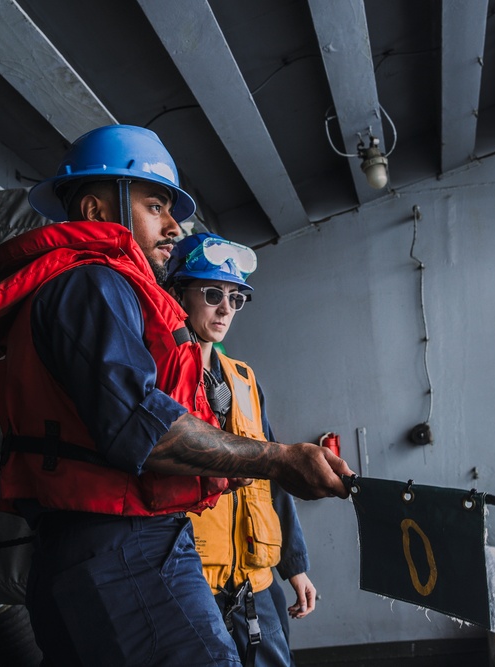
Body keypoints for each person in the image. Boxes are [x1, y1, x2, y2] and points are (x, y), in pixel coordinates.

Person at [0, 124, 352, 667]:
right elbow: (142, 430)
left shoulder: (81, 288)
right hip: (124, 551)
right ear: (97, 210)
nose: (174, 226)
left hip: (94, 549)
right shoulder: (92, 285)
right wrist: (279, 459)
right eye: (156, 206)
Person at [166, 233, 316, 667]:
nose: (226, 308)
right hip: (192, 580)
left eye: (235, 297)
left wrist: (295, 566)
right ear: (178, 294)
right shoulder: (160, 374)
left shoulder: (244, 379)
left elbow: (276, 474)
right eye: (213, 294)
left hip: (256, 579)